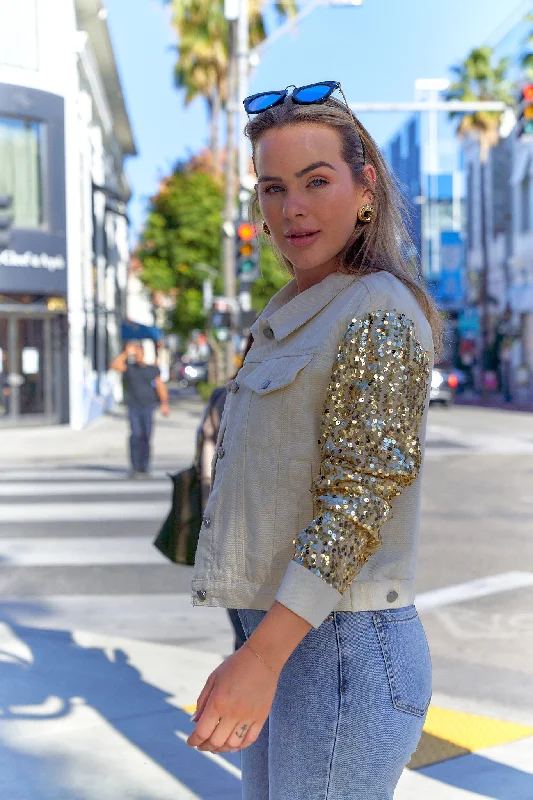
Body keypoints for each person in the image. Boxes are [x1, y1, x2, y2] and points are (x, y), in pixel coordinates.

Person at [187, 81, 442, 799]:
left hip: (339, 649)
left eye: (314, 181)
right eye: (272, 187)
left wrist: (260, 660)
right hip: (283, 634)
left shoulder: (377, 309)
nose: (290, 207)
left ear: (366, 191)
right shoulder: (291, 311)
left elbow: (357, 504)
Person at [111, 341, 170, 478]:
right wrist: (126, 352)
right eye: (135, 352)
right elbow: (115, 366)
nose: (137, 355)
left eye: (139, 352)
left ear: (143, 353)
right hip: (134, 406)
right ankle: (135, 466)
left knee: (146, 436)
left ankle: (144, 465)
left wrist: (164, 403)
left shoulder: (152, 369)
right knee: (135, 435)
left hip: (148, 406)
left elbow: (160, 386)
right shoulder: (130, 368)